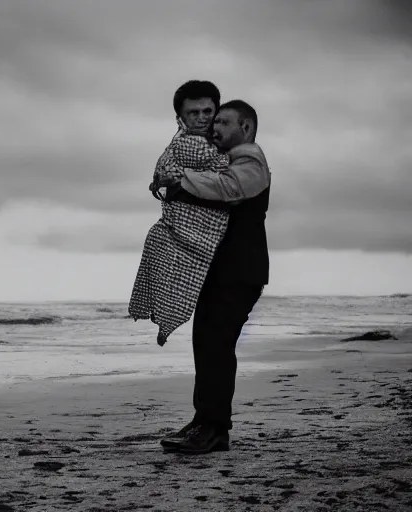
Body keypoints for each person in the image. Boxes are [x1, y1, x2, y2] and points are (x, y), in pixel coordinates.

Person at [155, 99, 271, 454]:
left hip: (240, 271)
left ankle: (215, 429)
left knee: (217, 346)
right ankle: (203, 421)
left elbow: (228, 188)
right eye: (213, 121)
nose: (213, 128)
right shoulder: (222, 162)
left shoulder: (250, 159)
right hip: (221, 270)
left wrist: (181, 180)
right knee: (206, 344)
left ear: (246, 127)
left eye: (222, 122)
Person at [129, 80, 232, 346]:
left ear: (217, 111)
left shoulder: (231, 143)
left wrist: (175, 182)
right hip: (184, 228)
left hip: (221, 247)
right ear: (181, 118)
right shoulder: (188, 144)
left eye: (207, 112)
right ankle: (164, 319)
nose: (201, 118)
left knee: (213, 340)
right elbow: (171, 171)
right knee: (159, 246)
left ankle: (165, 320)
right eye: (193, 113)